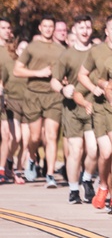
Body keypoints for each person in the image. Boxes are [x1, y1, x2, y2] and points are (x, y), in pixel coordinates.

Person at [78, 13, 112, 209]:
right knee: (107, 152)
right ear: (106, 31)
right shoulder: (96, 51)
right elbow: (82, 75)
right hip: (101, 107)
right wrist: (93, 88)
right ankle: (104, 185)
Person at [13, 14, 65, 186]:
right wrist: (38, 73)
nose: (48, 29)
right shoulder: (32, 47)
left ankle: (50, 174)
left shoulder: (61, 49)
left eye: (51, 26)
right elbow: (17, 70)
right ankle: (32, 158)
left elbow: (66, 72)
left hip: (53, 96)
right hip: (33, 94)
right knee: (35, 137)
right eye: (45, 26)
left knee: (51, 136)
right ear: (40, 28)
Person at [53, 15, 96, 204]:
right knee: (76, 150)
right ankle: (73, 189)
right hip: (72, 109)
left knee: (94, 151)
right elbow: (54, 80)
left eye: (88, 27)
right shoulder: (67, 54)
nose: (85, 30)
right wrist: (63, 89)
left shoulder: (97, 52)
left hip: (94, 107)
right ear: (75, 30)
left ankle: (86, 178)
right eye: (81, 27)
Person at [0, 17, 27, 184]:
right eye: (2, 27)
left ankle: (3, 168)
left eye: (8, 28)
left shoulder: (12, 51)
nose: (6, 31)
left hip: (6, 98)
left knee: (10, 136)